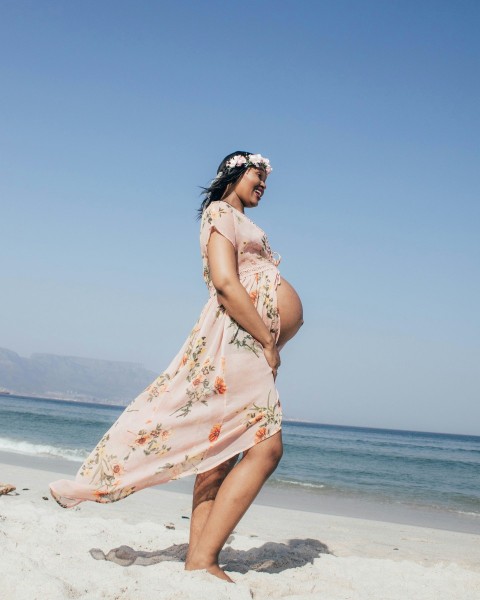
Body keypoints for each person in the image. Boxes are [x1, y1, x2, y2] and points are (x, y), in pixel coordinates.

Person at [49, 150, 304, 582]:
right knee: (266, 447)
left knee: (220, 451)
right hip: (240, 338)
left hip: (245, 338)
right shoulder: (221, 213)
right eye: (257, 177)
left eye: (265, 180)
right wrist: (266, 339)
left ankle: (199, 559)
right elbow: (225, 282)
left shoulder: (232, 216)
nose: (263, 185)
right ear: (234, 174)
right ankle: (203, 557)